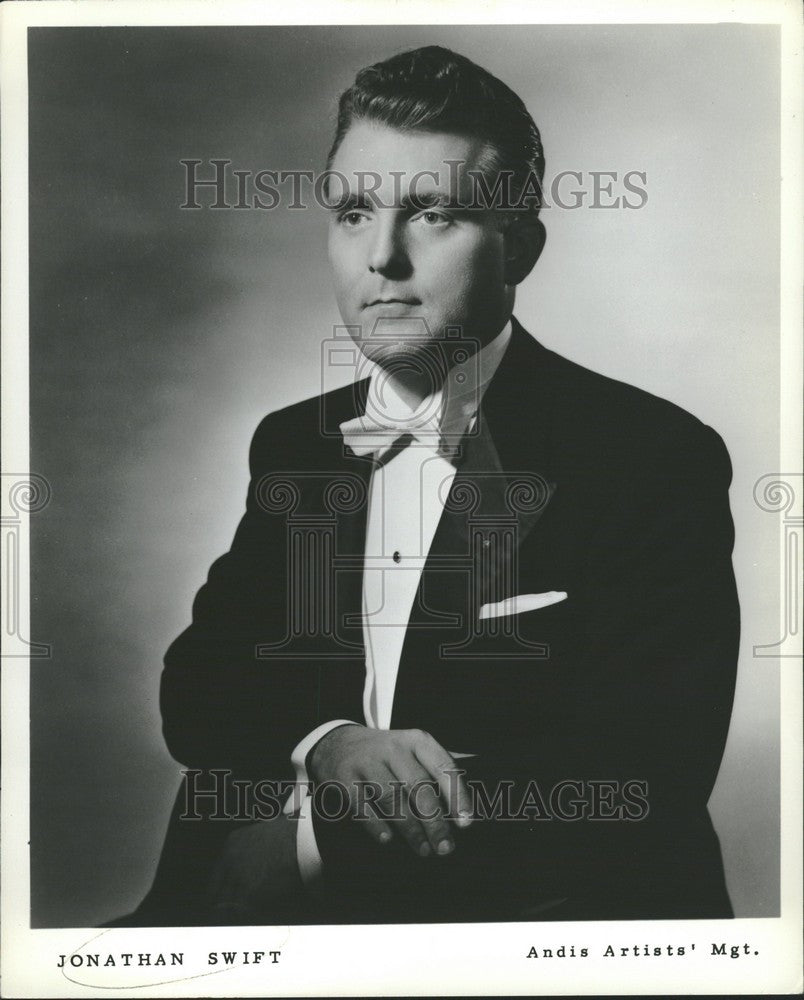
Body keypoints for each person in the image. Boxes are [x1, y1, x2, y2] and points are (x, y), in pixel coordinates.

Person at [130, 45, 739, 926]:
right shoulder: (294, 443)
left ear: (520, 246)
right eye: (352, 212)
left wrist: (311, 848)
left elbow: (641, 780)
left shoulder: (653, 455)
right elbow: (199, 689)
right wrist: (330, 745)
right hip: (249, 923)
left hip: (539, 932)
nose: (381, 256)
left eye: (434, 214)